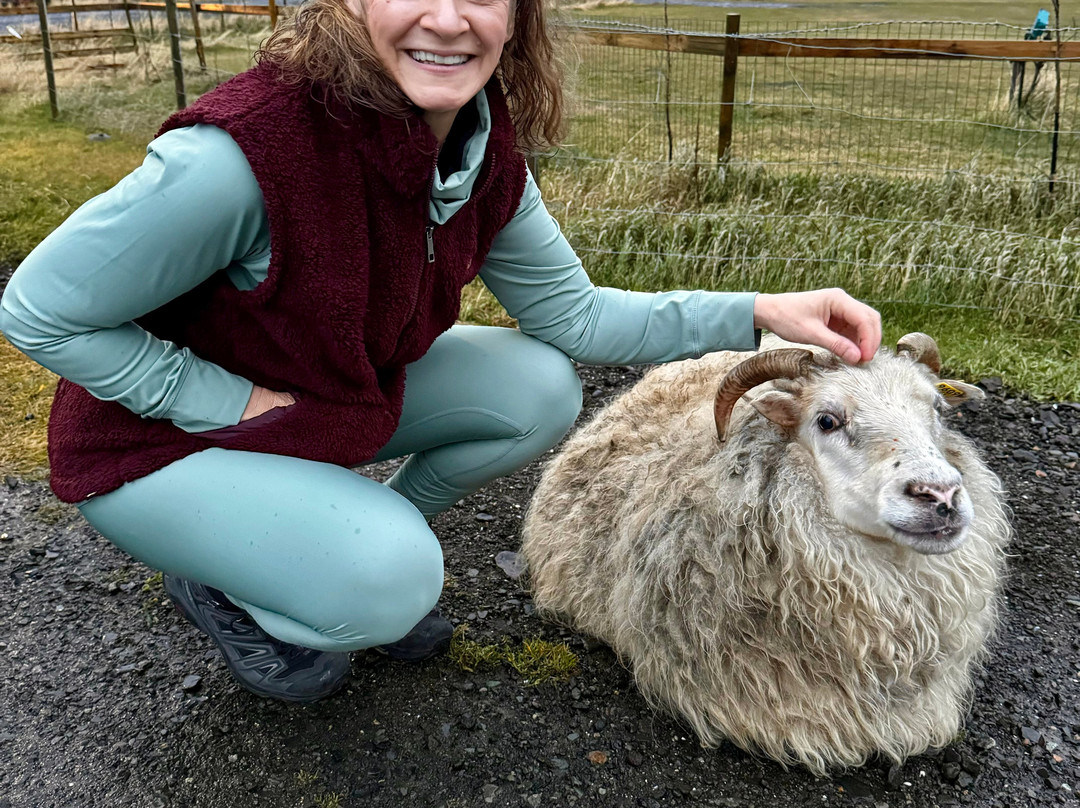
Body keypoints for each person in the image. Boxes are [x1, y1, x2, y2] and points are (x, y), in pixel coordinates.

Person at [0, 0, 881, 704]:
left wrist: (764, 309)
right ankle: (229, 581)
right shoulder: (238, 157)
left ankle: (331, 544)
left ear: (519, 15)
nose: (449, 18)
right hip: (153, 446)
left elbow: (574, 317)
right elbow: (37, 310)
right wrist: (217, 401)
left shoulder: (480, 148)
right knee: (388, 585)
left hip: (321, 396)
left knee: (538, 385)